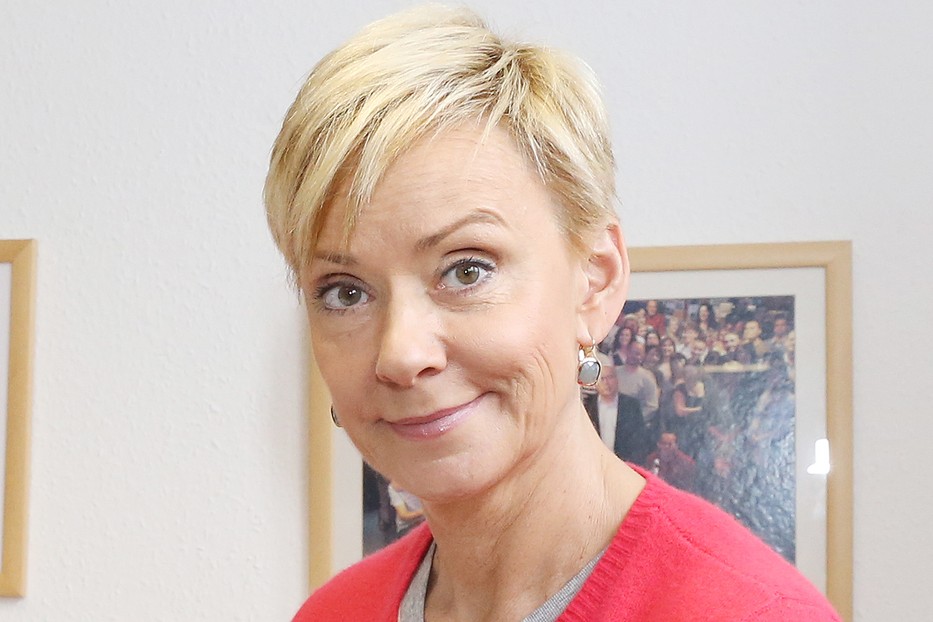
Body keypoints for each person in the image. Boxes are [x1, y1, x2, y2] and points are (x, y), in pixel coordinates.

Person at [264, 6, 841, 620]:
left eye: (467, 270)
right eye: (345, 292)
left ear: (595, 281)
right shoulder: (334, 611)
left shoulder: (752, 612)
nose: (401, 354)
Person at [582, 355, 650, 464]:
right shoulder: (587, 406)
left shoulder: (631, 405)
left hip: (624, 464)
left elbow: (639, 441)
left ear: (617, 379)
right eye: (602, 379)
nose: (607, 383)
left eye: (610, 377)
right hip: (594, 463)